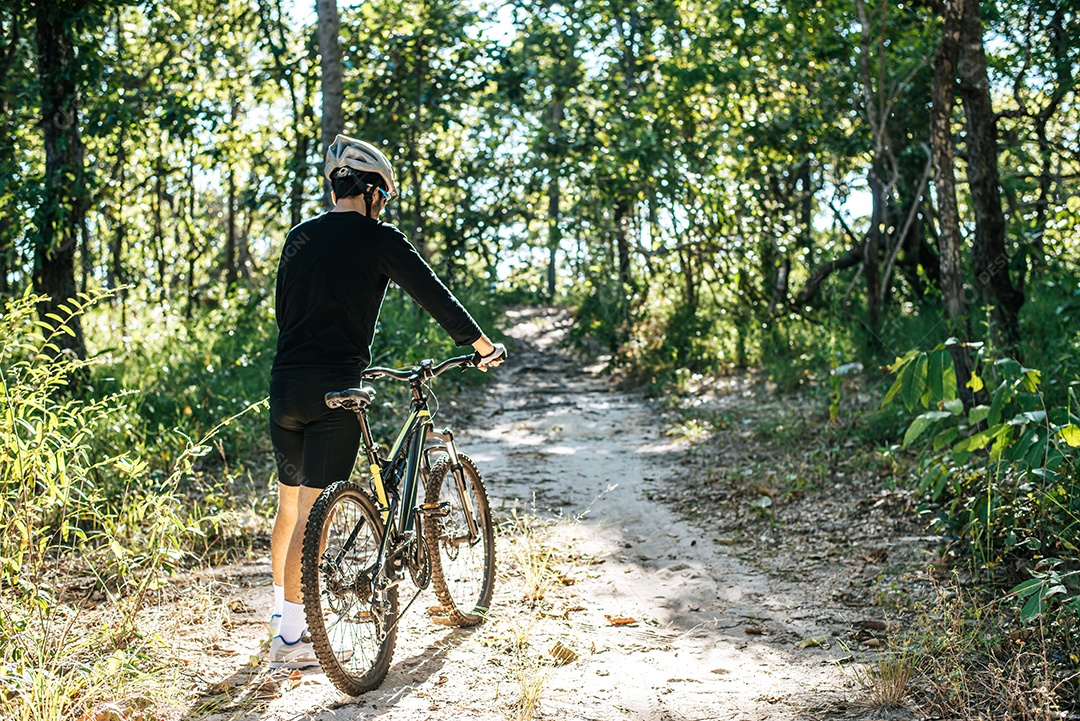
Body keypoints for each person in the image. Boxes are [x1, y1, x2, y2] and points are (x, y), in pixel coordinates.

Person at [267, 134, 506, 668]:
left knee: (289, 508)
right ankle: (294, 637)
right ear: (373, 193)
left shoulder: (297, 237)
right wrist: (482, 346)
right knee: (312, 514)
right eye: (385, 197)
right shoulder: (379, 238)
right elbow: (434, 295)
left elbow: (287, 310)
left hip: (284, 389)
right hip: (334, 393)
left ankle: (285, 624)